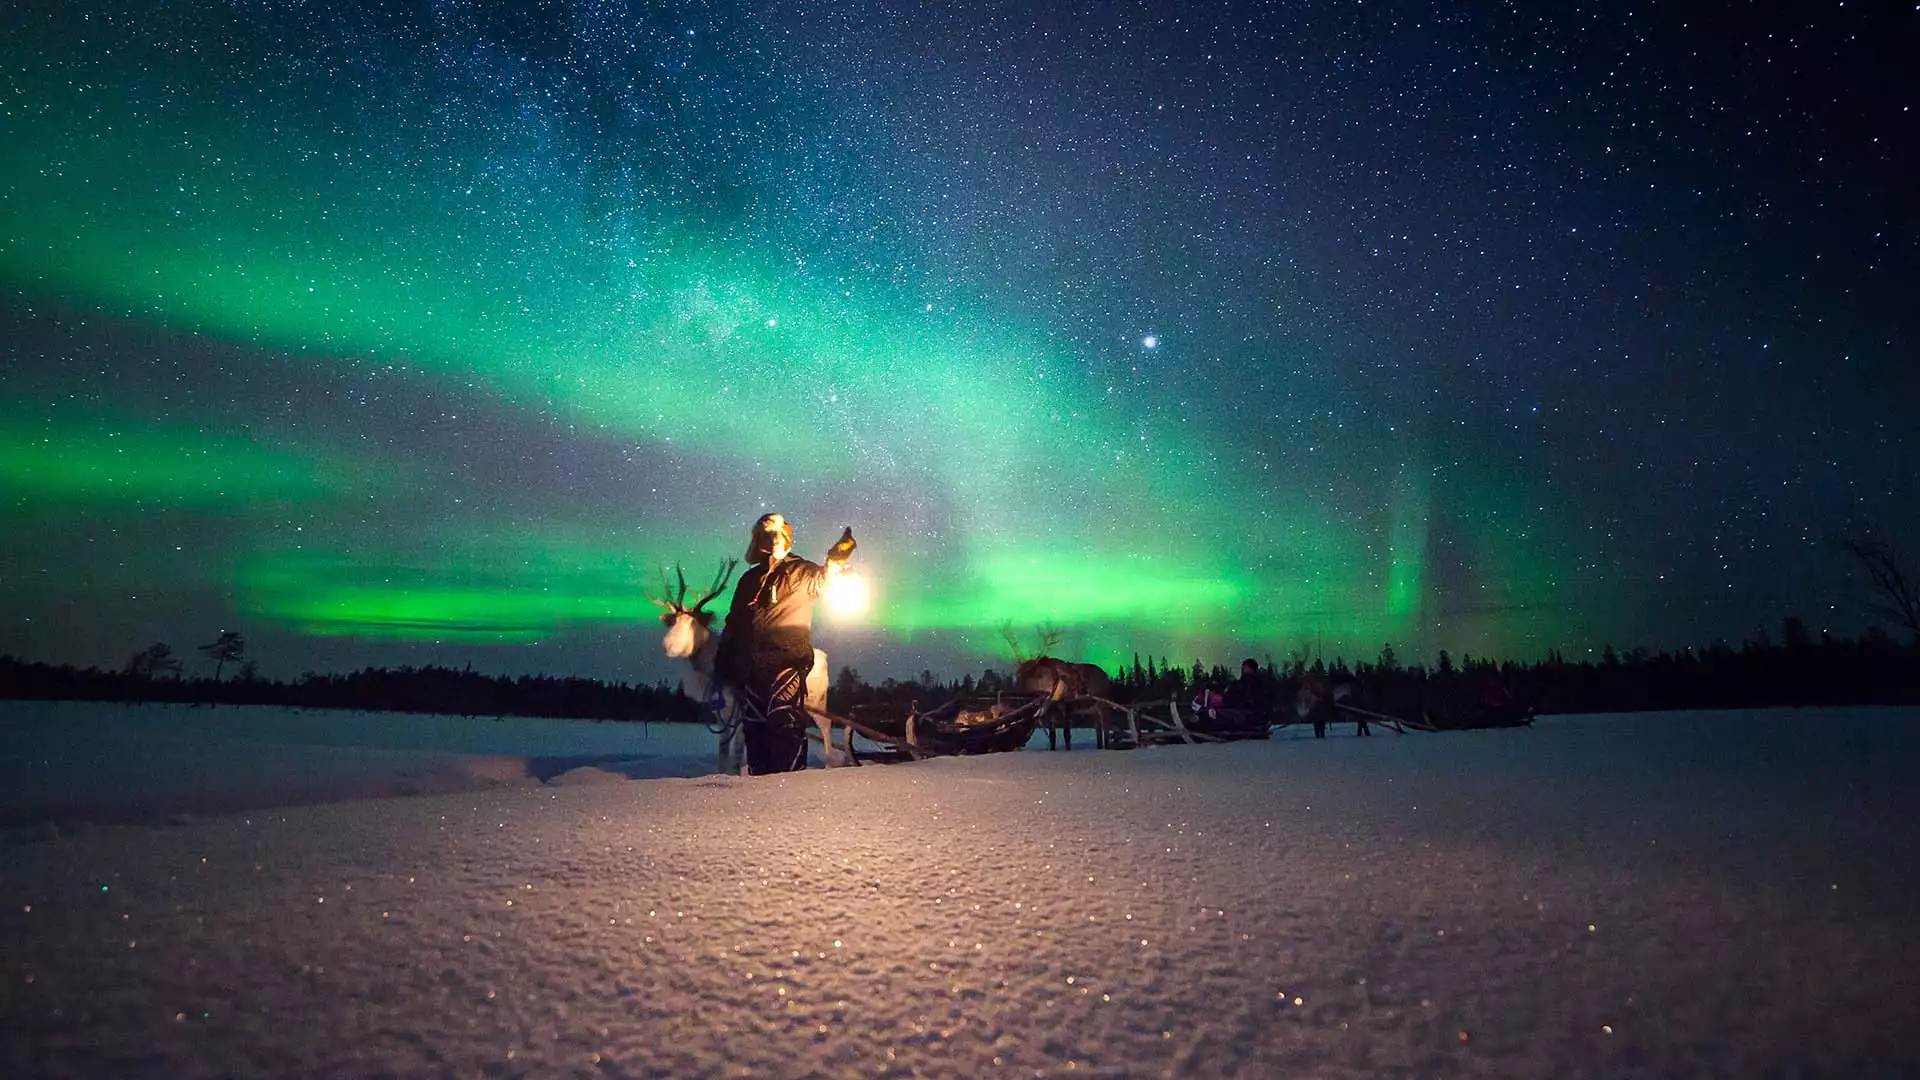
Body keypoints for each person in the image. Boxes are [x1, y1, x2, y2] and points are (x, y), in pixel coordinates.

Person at [713, 513, 854, 774]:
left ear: (786, 537)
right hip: (752, 667)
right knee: (755, 727)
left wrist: (836, 560)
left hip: (788, 659)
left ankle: (788, 787)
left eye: (775, 534)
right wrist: (723, 662)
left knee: (784, 720)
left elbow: (825, 579)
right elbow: (734, 623)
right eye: (765, 535)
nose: (771, 540)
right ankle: (761, 789)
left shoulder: (800, 571)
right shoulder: (749, 581)